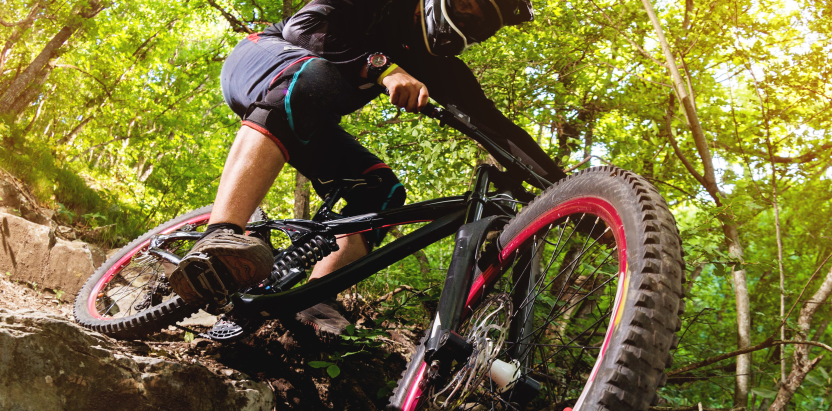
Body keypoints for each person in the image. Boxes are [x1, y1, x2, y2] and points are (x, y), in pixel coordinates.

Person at [168, 0, 565, 341]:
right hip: (262, 61)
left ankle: (316, 297)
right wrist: (383, 67)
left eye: (481, 23)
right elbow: (303, 26)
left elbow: (501, 131)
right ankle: (220, 235)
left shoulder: (440, 68)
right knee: (312, 80)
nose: (468, 23)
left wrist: (566, 191)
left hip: (306, 107)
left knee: (381, 192)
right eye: (467, 6)